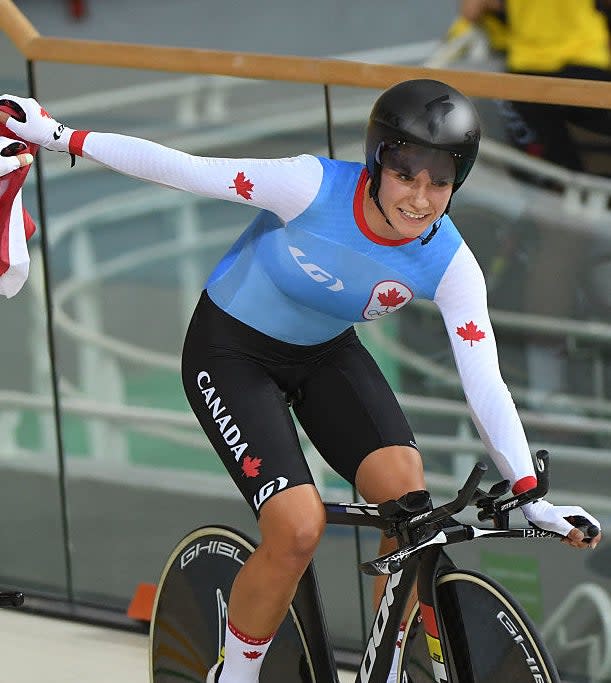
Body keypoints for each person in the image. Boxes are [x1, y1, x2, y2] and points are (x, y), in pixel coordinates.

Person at [0, 80, 601, 683]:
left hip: (324, 353)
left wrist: (531, 493)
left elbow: (485, 380)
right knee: (298, 527)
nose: (420, 198)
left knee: (409, 500)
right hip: (230, 351)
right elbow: (182, 169)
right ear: (377, 161)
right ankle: (233, 675)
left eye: (439, 181)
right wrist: (57, 136)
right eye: (406, 174)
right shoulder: (309, 186)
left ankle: (385, 668)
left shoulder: (451, 263)